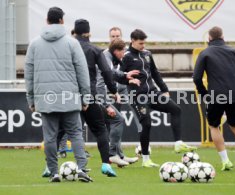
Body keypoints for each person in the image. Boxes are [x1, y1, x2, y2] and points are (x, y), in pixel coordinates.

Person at [25, 7, 92, 182]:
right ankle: (82, 169)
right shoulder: (72, 43)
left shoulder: (34, 44)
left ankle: (53, 172)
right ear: (62, 21)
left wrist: (31, 99)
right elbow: (82, 72)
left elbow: (29, 74)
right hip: (69, 97)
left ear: (47, 21)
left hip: (46, 99)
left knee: (49, 137)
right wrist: (85, 97)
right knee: (76, 134)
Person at [121, 29, 197, 168]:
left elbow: (155, 73)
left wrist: (164, 90)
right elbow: (119, 76)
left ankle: (178, 144)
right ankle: (145, 159)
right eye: (140, 43)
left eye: (144, 43)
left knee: (176, 109)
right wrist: (128, 81)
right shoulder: (126, 56)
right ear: (132, 41)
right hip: (138, 97)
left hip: (153, 93)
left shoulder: (147, 54)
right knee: (147, 124)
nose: (143, 46)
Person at [193, 26, 235, 171]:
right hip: (233, 95)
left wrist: (204, 94)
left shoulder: (205, 53)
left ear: (209, 38)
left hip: (215, 96)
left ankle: (226, 162)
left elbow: (196, 78)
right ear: (223, 37)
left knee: (213, 126)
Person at [97, 38, 140, 167]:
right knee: (118, 120)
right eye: (123, 51)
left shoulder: (108, 58)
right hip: (94, 98)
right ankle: (112, 155)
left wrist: (125, 76)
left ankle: (119, 155)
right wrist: (105, 104)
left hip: (92, 97)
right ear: (116, 51)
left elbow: (113, 73)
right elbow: (100, 83)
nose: (124, 54)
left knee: (114, 123)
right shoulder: (107, 58)